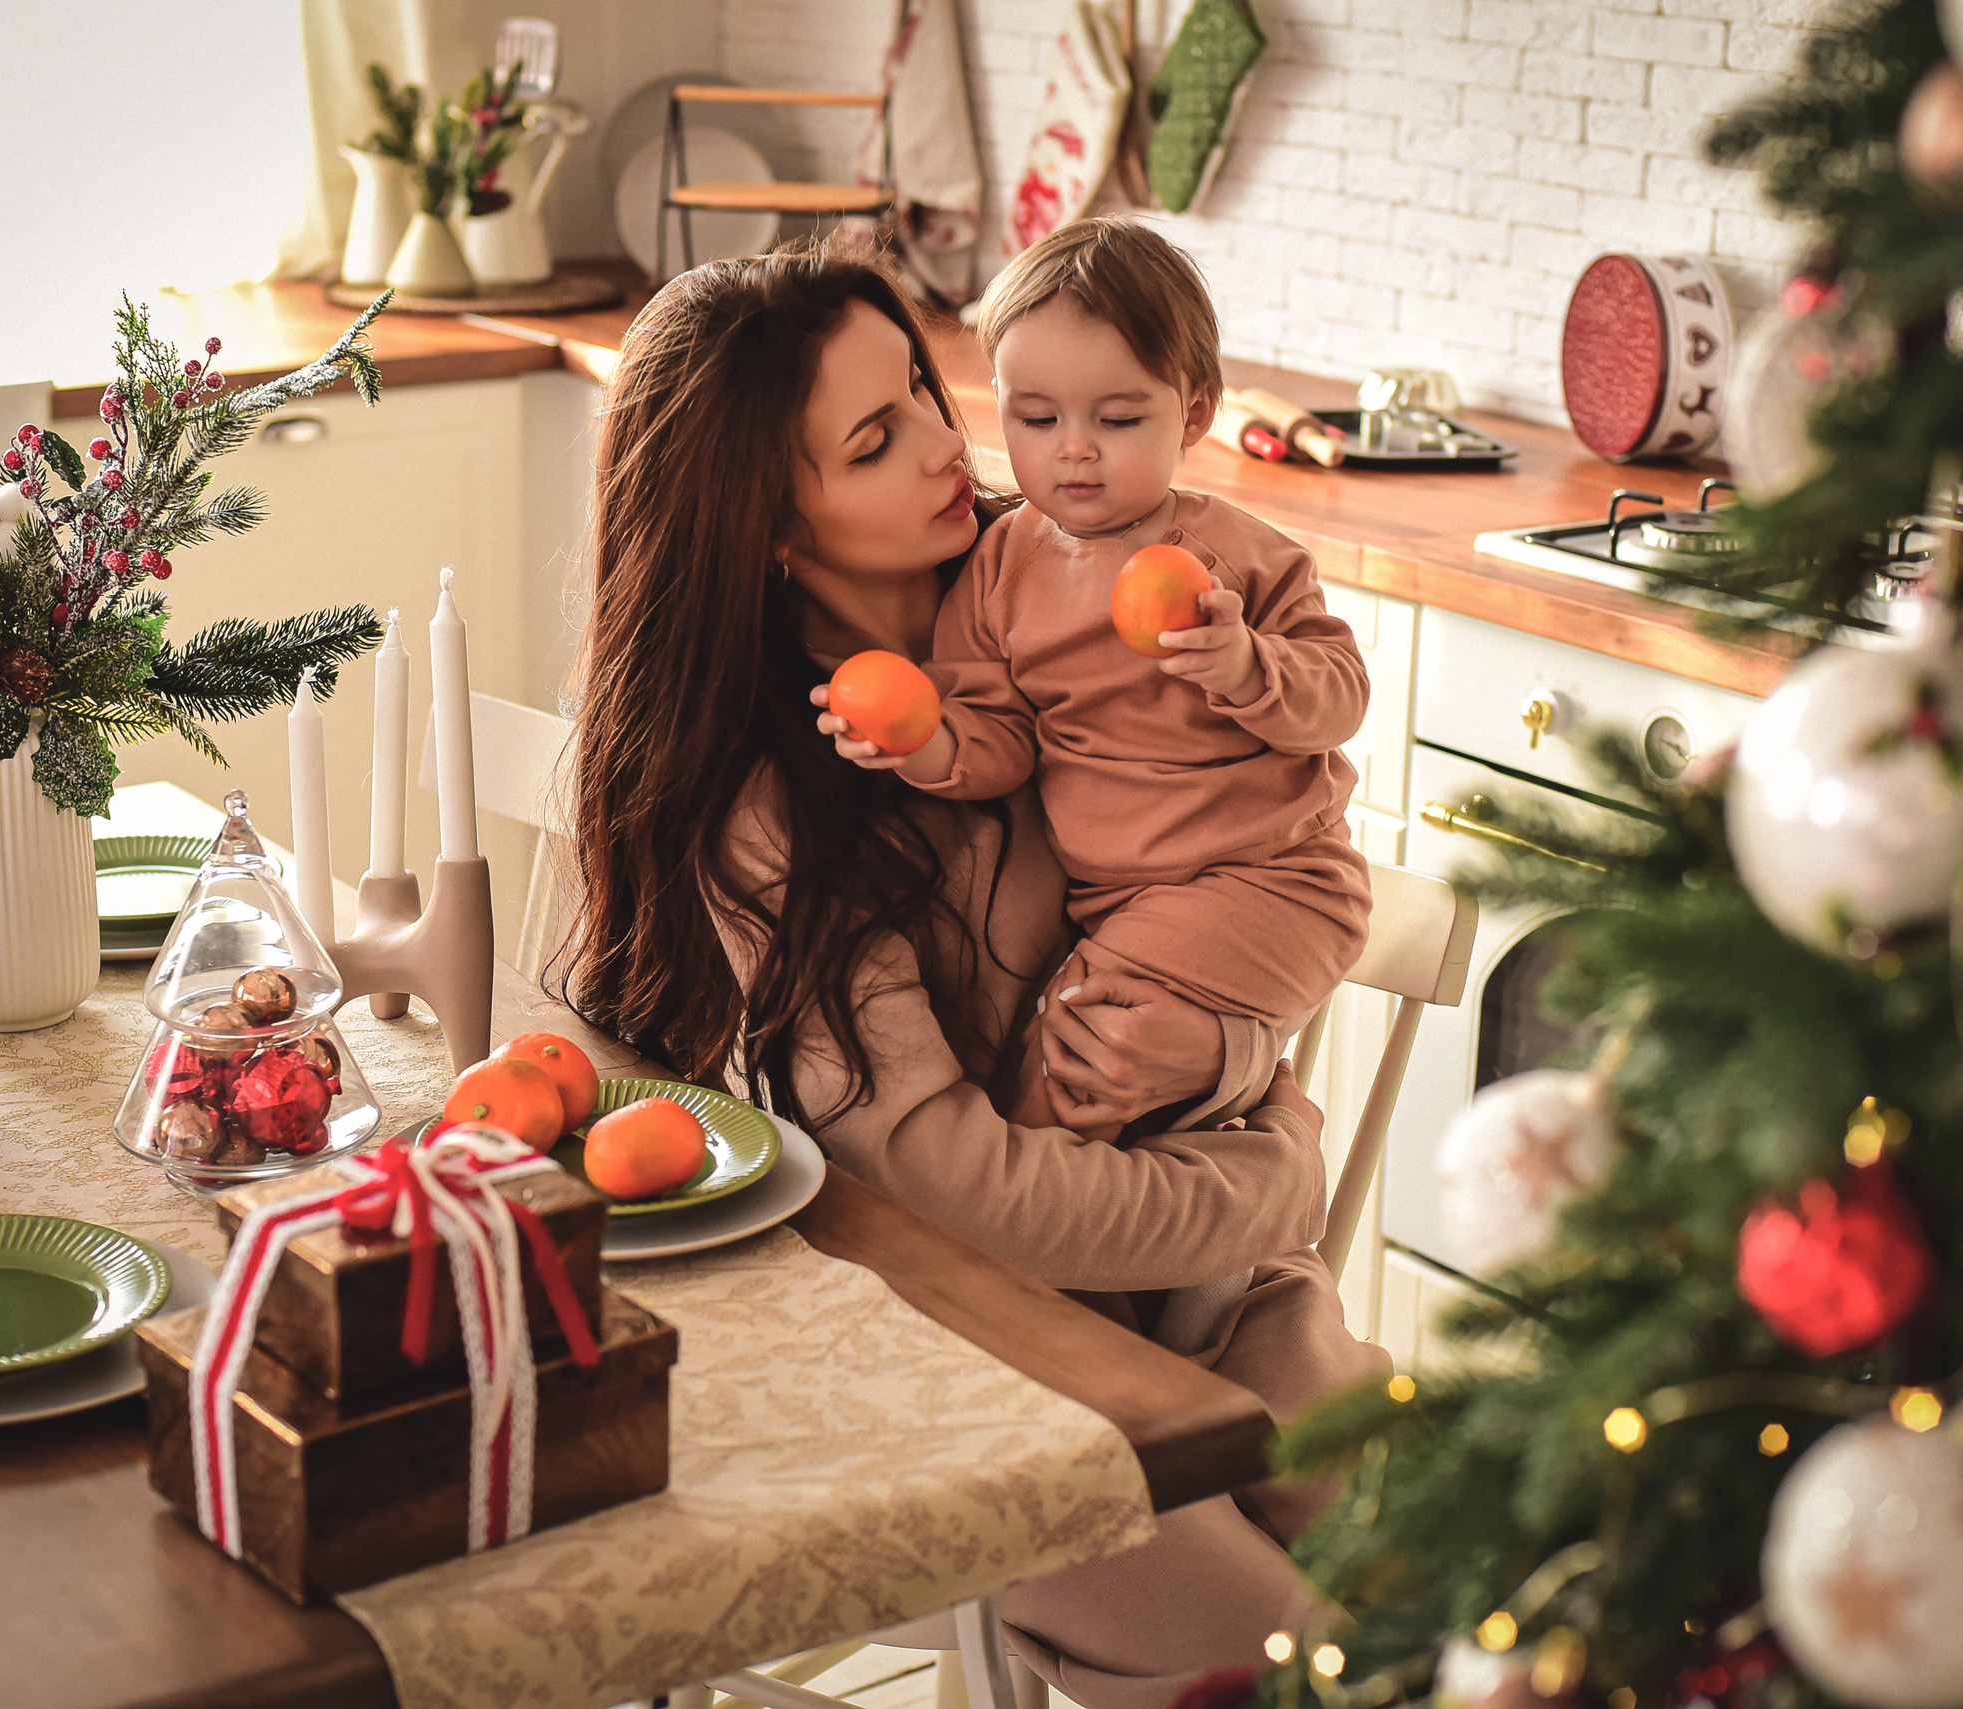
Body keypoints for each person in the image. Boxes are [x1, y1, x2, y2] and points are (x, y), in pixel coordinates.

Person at [565, 243, 1388, 1709]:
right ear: (770, 523)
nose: (955, 451)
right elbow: (951, 1196)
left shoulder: (1066, 590)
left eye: (927, 397)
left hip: (1207, 1277)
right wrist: (1272, 1181)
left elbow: (1248, 919)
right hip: (960, 1351)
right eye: (875, 441)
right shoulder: (771, 804)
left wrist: (1224, 1065)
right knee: (1306, 1669)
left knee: (1472, 1564)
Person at [817, 219, 1371, 1169]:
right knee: (1100, 1094)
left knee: (1062, 1072)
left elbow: (1343, 695)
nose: (1074, 452)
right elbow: (1001, 739)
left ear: (1194, 413)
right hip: (1123, 904)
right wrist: (925, 744)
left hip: (1271, 878)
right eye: (1036, 421)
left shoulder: (1243, 559)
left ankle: (1045, 1260)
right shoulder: (999, 569)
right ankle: (1160, 1252)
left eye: (1117, 422)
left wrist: (1246, 666)